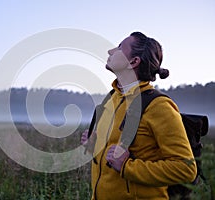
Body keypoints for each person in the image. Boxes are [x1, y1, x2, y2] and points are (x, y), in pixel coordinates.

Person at [81, 31, 197, 200]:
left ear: (133, 62)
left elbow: (186, 169)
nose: (110, 51)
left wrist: (127, 167)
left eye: (120, 48)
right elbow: (113, 153)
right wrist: (95, 146)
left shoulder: (158, 106)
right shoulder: (111, 98)